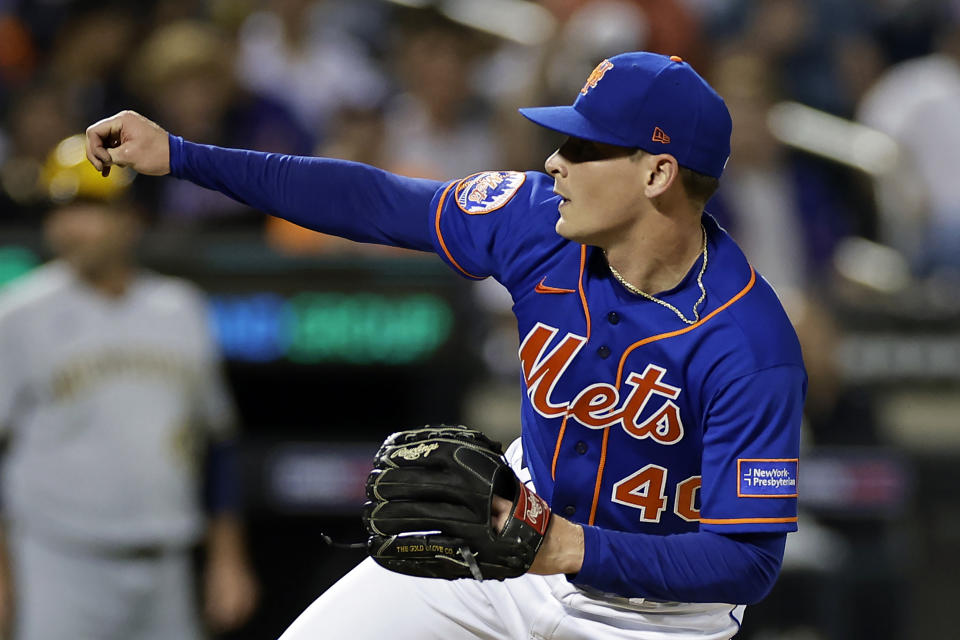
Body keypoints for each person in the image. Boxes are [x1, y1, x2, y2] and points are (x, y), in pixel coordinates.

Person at [86, 51, 805, 640]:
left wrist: (569, 547)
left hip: (654, 619)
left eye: (584, 148)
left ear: (657, 173)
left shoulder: (750, 344)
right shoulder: (531, 220)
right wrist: (180, 155)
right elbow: (373, 200)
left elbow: (747, 561)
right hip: (518, 549)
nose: (553, 161)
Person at [0, 135, 258, 640]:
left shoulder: (181, 308)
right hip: (59, 560)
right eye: (60, 209)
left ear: (131, 218)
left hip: (167, 562)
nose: (70, 226)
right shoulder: (18, 314)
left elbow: (216, 443)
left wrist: (228, 560)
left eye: (89, 207)